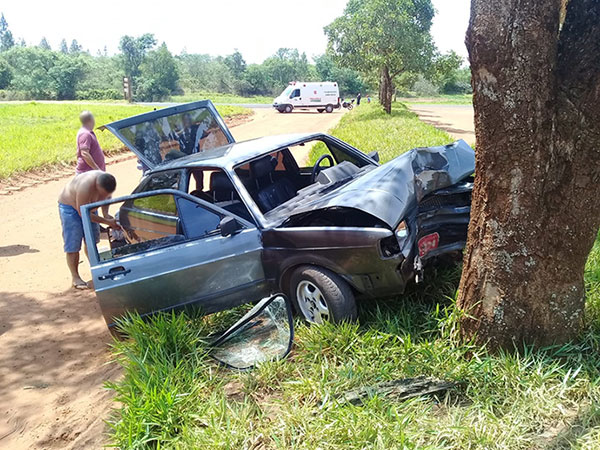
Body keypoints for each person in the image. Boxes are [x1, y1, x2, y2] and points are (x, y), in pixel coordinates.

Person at [58, 171, 120, 289]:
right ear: (96, 187)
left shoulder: (107, 181)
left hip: (90, 207)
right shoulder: (85, 187)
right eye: (101, 195)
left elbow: (107, 198)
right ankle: (75, 277)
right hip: (70, 207)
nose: (102, 198)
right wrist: (106, 222)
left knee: (91, 240)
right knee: (73, 243)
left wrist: (105, 214)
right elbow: (83, 214)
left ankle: (95, 268)